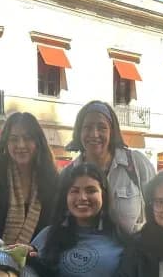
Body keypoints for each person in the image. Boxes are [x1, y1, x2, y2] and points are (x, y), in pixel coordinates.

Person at [64, 100, 156, 238]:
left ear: (112, 131)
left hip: (133, 255)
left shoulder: (136, 164)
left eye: (102, 127)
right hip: (87, 255)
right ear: (79, 131)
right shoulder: (68, 174)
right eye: (87, 127)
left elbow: (157, 209)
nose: (94, 134)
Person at [0, 112, 59, 244]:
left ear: (38, 142)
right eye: (14, 139)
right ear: (6, 143)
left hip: (38, 260)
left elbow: (54, 228)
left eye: (27, 138)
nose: (21, 145)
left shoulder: (52, 181)